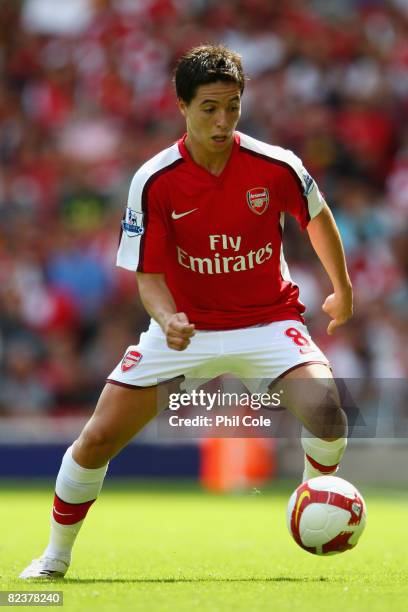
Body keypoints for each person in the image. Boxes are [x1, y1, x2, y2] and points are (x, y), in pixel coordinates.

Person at [20, 44, 352, 579]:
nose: (223, 121)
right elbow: (147, 276)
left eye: (233, 107)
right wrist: (168, 317)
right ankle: (55, 555)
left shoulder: (276, 165)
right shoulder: (154, 180)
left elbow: (316, 215)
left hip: (268, 322)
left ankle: (313, 500)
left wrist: (343, 287)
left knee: (330, 412)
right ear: (182, 106)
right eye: (209, 109)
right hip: (185, 330)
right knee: (98, 438)